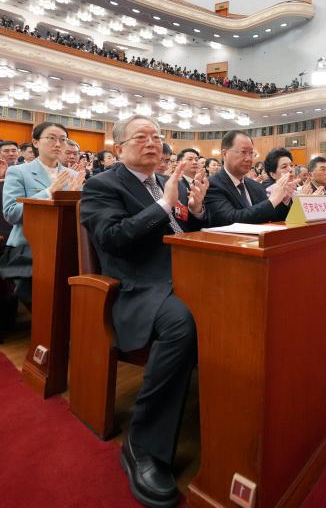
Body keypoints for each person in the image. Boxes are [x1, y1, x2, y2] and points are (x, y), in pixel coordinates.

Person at [79, 115, 209, 508]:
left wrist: (197, 211)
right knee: (182, 324)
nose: (153, 142)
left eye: (157, 136)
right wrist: (163, 204)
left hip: (189, 276)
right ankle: (143, 445)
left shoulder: (173, 182)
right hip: (141, 287)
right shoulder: (102, 185)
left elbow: (191, 233)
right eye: (141, 137)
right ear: (119, 148)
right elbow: (112, 238)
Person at [0, 122, 85, 314]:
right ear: (36, 142)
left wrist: (75, 198)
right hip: (28, 245)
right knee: (44, 285)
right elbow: (11, 213)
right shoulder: (18, 171)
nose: (58, 144)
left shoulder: (72, 175)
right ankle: (47, 320)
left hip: (65, 242)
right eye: (52, 138)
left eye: (63, 139)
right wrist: (49, 192)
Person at [204, 130, 295, 225]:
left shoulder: (256, 186)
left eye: (251, 153)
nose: (248, 159)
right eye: (243, 152)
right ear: (224, 153)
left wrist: (284, 200)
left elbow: (272, 218)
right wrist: (272, 200)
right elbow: (230, 219)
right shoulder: (211, 185)